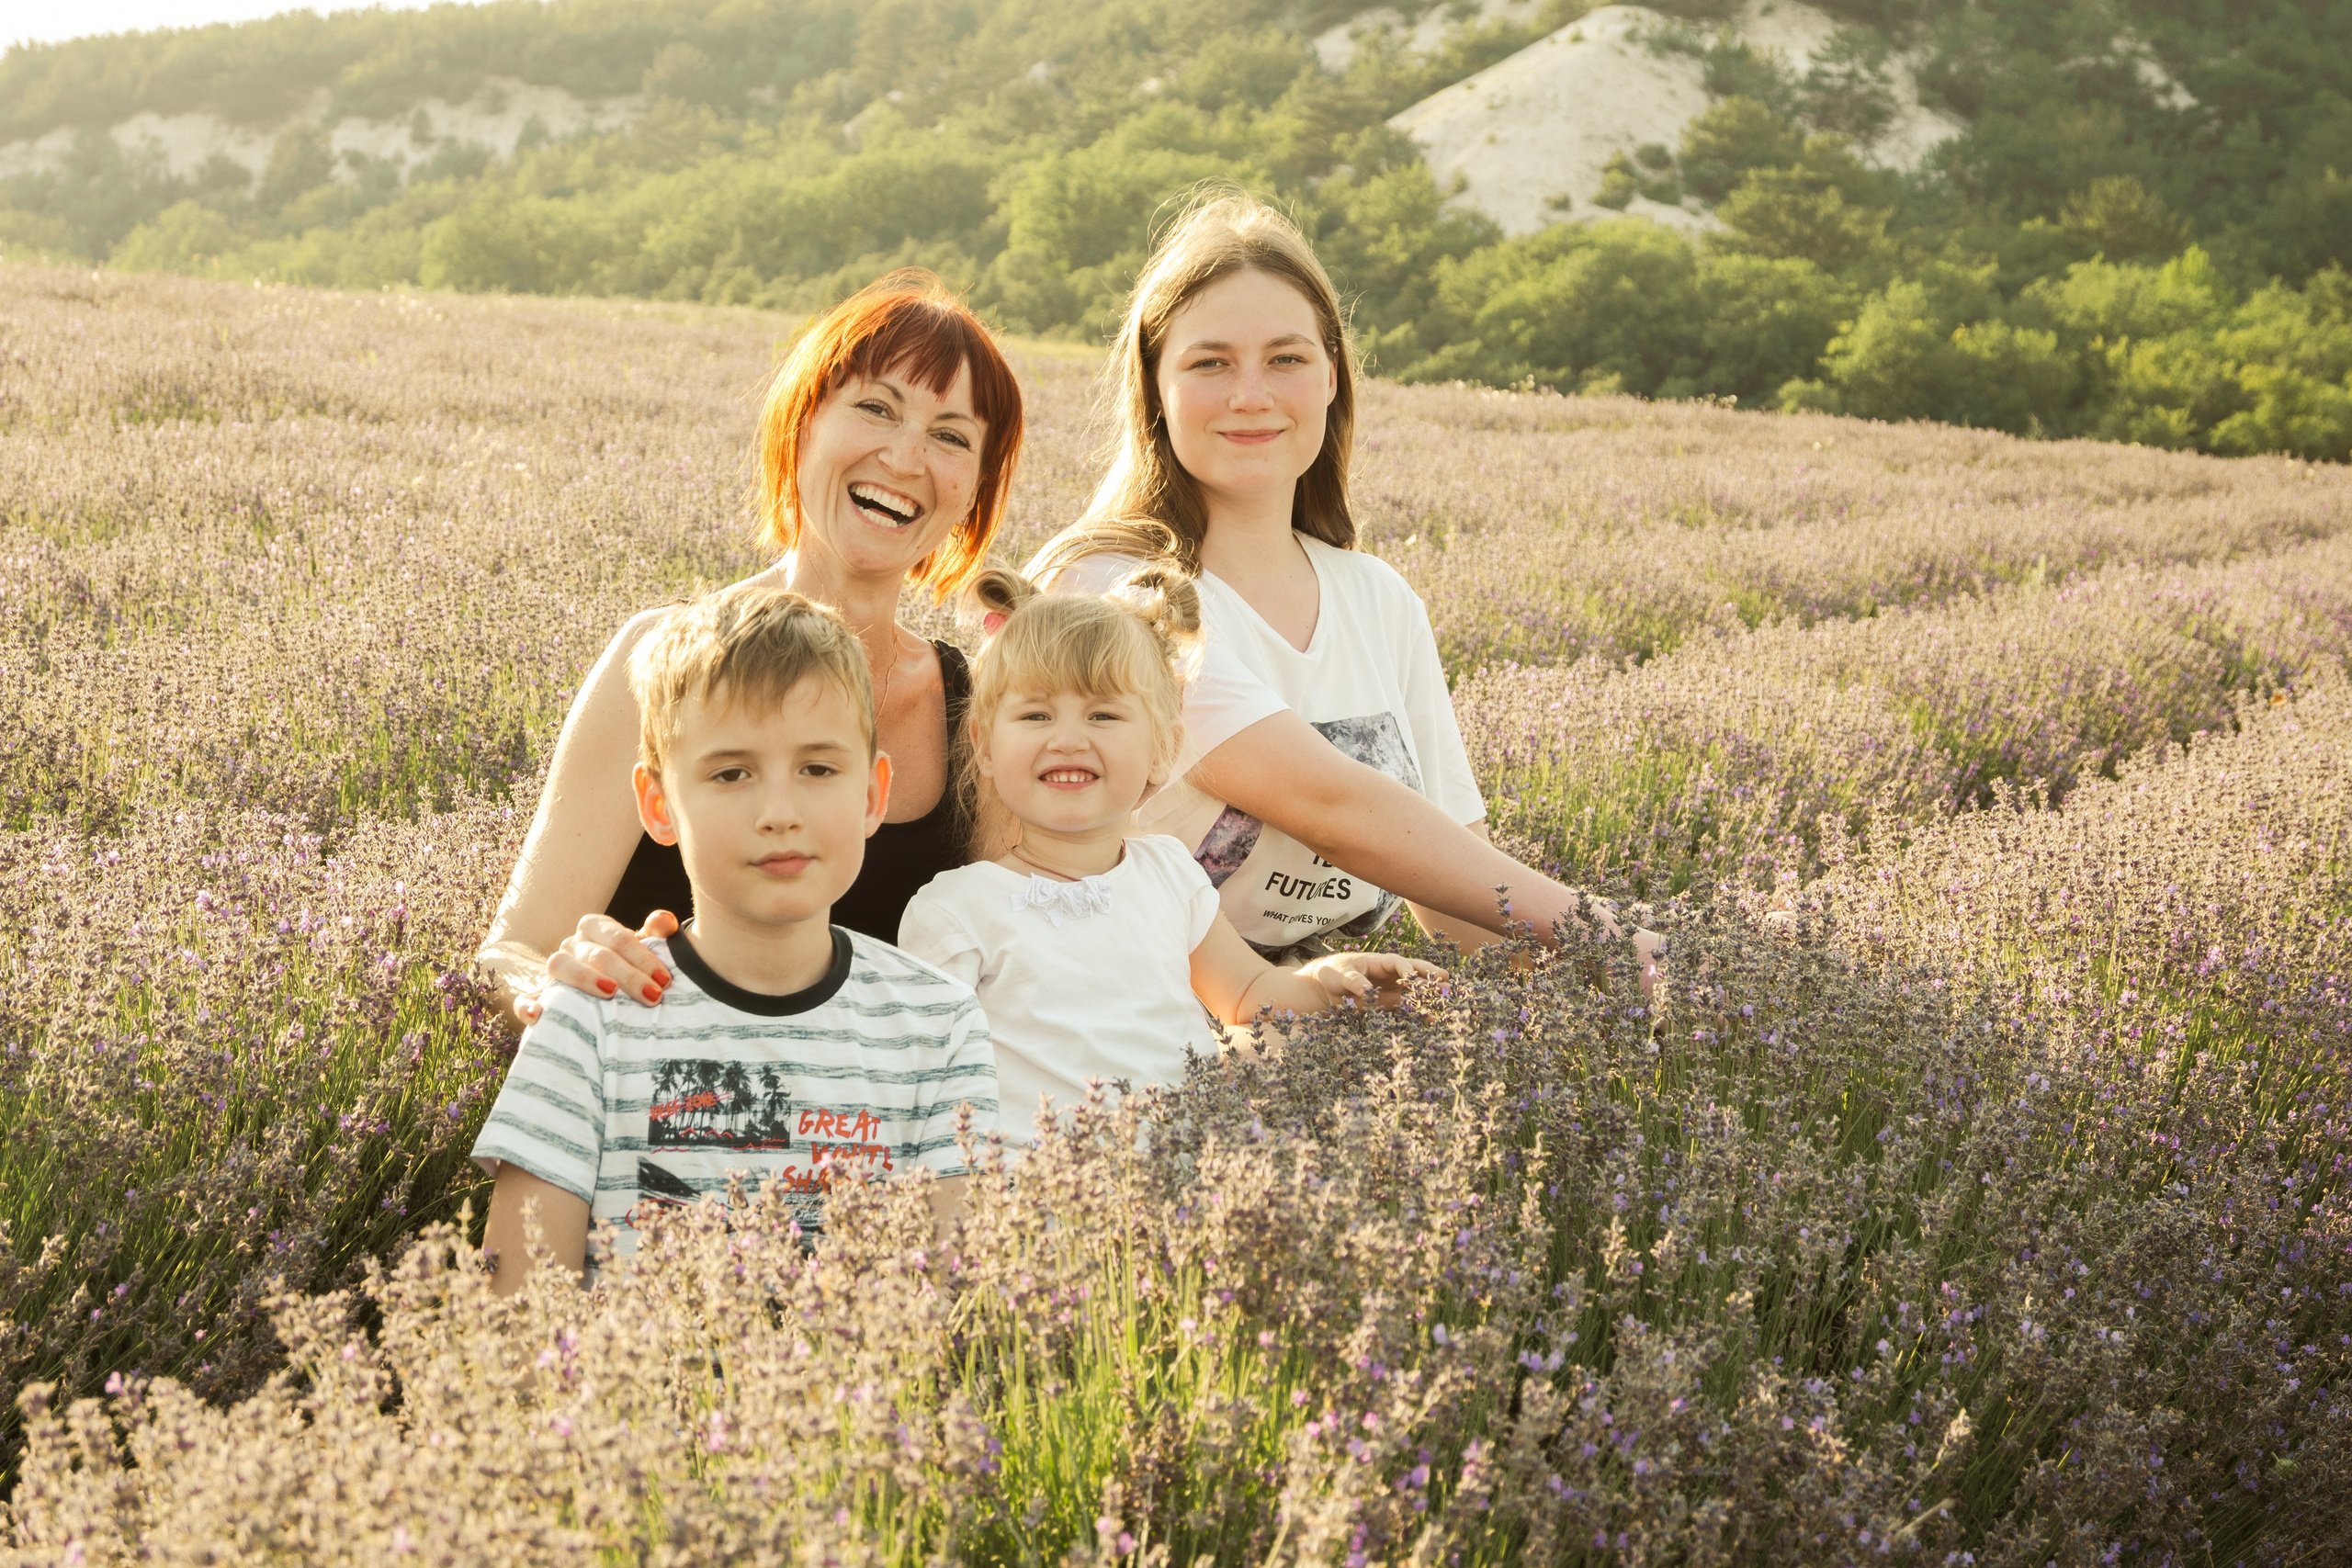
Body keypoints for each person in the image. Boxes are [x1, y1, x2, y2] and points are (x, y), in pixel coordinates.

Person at [1025, 189, 1662, 974]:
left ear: (1332, 376)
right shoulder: (1106, 591)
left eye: (1286, 358)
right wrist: (1615, 938)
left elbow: (1457, 893)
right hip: (1119, 1026)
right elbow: (1333, 807)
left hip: (1321, 1025)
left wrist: (1622, 1006)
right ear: (1156, 388)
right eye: (1210, 362)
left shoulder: (1378, 599)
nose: (1250, 395)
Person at [475, 271, 1024, 1025]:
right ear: (801, 426)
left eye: (950, 436)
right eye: (876, 408)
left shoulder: (977, 715)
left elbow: (1019, 969)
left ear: (973, 491)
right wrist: (557, 991)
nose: (904, 458)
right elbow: (513, 951)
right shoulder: (655, 659)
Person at [470, 583, 995, 1292]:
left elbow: (957, 1307)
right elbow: (517, 1321)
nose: (779, 811)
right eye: (731, 772)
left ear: (873, 794)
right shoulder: (587, 1024)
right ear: (659, 804)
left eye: (817, 767)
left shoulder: (937, 1027)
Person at [897, 566, 1442, 1144]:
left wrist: (1327, 982)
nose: (1068, 738)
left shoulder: (1168, 874)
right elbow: (917, 1091)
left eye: (1103, 714)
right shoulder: (955, 912)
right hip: (1038, 1202)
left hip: (1178, 1195)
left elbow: (1249, 994)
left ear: (1164, 749)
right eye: (1035, 715)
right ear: (984, 745)